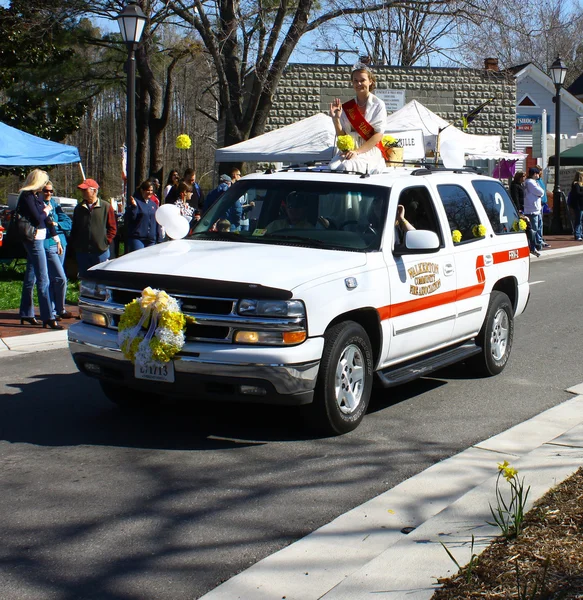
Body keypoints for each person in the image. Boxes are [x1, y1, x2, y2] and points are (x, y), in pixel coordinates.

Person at [17, 169, 64, 330]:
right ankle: (48, 317)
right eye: (44, 182)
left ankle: (26, 313)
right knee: (43, 279)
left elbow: (46, 220)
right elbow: (38, 218)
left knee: (31, 278)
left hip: (39, 238)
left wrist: (56, 237)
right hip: (34, 240)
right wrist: (46, 210)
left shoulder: (36, 197)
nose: (45, 186)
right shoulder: (27, 196)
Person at [329, 63, 387, 174]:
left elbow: (378, 135)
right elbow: (343, 137)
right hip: (349, 151)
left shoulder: (378, 105)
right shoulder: (347, 107)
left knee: (347, 166)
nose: (359, 83)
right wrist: (336, 119)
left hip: (369, 151)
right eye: (355, 81)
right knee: (332, 167)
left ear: (370, 81)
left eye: (362, 80)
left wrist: (357, 152)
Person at [69, 178, 117, 277]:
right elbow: (75, 228)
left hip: (100, 251)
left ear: (94, 191)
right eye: (81, 190)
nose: (82, 192)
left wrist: (104, 241)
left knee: (101, 278)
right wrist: (76, 244)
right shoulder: (79, 208)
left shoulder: (106, 207)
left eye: (85, 190)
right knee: (85, 277)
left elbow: (112, 228)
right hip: (82, 251)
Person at [125, 180, 164, 252]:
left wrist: (159, 237)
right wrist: (134, 207)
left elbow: (157, 220)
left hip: (151, 239)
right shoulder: (136, 202)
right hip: (138, 238)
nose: (150, 192)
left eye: (151, 190)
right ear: (142, 190)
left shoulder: (153, 204)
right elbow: (131, 218)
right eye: (147, 190)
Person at [523, 167, 544, 252]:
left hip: (535, 208)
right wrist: (540, 195)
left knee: (538, 226)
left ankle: (538, 242)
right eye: (537, 173)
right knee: (534, 228)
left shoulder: (532, 182)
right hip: (532, 209)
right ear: (534, 174)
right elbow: (541, 192)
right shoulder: (530, 183)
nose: (538, 175)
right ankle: (534, 244)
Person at [536, 165, 550, 248]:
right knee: (538, 223)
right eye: (539, 171)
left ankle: (540, 238)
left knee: (540, 223)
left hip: (543, 203)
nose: (541, 172)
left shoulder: (540, 180)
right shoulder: (535, 181)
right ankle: (539, 239)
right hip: (539, 204)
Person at [570, 171, 583, 241]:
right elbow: (578, 193)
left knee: (582, 220)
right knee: (578, 220)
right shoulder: (576, 184)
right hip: (578, 205)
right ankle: (577, 234)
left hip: (581, 205)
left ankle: (581, 234)